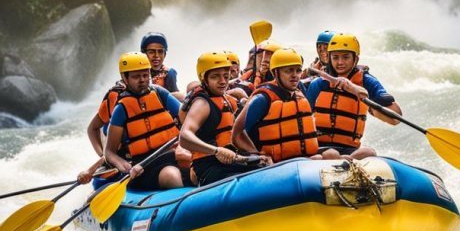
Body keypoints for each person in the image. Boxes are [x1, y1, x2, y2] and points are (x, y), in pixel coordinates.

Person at [304, 33, 402, 159]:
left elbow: (396, 118)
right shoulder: (319, 83)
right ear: (329, 58)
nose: (340, 62)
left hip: (350, 149)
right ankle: (342, 162)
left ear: (355, 59)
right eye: (335, 57)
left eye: (345, 57)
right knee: (331, 154)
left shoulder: (366, 81)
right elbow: (303, 117)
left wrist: (370, 106)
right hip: (320, 146)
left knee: (369, 152)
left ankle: (346, 162)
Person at [104, 52, 185, 190]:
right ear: (125, 78)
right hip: (145, 164)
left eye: (145, 75)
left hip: (174, 152)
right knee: (171, 176)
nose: (142, 80)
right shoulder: (121, 109)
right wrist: (122, 164)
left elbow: (187, 119)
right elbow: (109, 152)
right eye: (136, 76)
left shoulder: (160, 94)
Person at [180, 51, 264, 185]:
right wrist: (216, 151)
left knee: (263, 167)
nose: (223, 81)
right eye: (215, 77)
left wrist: (256, 154)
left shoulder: (227, 100)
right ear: (204, 79)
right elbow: (184, 137)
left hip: (232, 160)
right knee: (245, 182)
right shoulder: (202, 103)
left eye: (226, 76)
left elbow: (237, 134)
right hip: (209, 165)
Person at [232, 47, 321, 162]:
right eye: (288, 71)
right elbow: (236, 135)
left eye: (298, 70)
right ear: (275, 73)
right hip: (274, 165)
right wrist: (257, 155)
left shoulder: (299, 93)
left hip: (300, 160)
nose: (295, 75)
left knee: (330, 155)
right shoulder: (262, 99)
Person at [140, 32, 181, 96]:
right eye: (151, 52)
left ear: (165, 55)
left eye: (160, 52)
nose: (156, 55)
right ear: (143, 54)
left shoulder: (169, 73)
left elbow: (176, 100)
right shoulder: (136, 73)